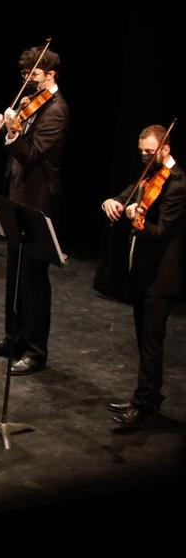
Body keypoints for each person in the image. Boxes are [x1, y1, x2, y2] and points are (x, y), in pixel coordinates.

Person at [0, 47, 68, 374]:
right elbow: (11, 139)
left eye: (34, 74)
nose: (28, 79)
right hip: (17, 194)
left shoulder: (56, 111)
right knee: (14, 273)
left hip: (37, 200)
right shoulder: (32, 102)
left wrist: (13, 131)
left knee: (33, 278)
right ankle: (12, 338)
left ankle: (35, 351)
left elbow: (30, 155)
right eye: (25, 74)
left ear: (51, 75)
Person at [101, 125, 185, 429]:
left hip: (162, 276)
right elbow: (125, 195)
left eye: (150, 152)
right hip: (143, 271)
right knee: (143, 337)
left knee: (151, 341)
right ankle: (148, 397)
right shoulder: (151, 173)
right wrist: (113, 202)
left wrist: (136, 218)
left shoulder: (177, 184)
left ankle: (143, 404)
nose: (145, 157)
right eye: (141, 152)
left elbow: (160, 232)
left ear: (165, 149)